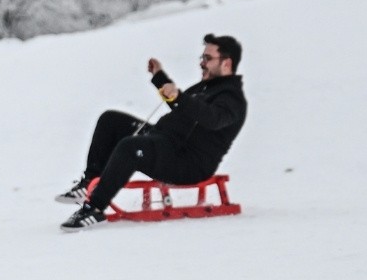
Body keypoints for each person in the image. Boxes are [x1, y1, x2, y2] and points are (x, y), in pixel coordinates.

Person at [57, 33, 248, 231]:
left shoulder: (232, 99)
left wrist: (178, 97)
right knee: (110, 120)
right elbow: (183, 105)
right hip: (166, 140)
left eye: (207, 58)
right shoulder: (207, 87)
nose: (202, 63)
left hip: (187, 162)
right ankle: (89, 183)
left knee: (131, 147)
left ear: (227, 63)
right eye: (202, 58)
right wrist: (160, 78)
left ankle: (94, 208)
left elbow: (211, 119)